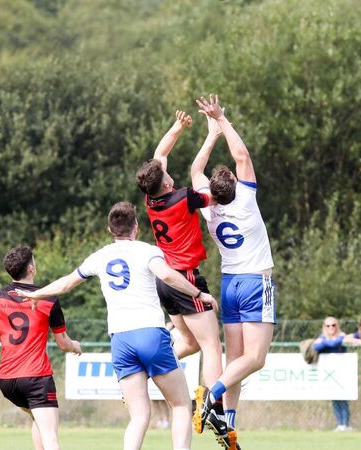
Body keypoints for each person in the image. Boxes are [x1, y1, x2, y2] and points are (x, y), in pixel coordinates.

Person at [15, 202, 219, 450]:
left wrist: (37, 294)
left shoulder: (100, 256)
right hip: (150, 334)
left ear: (110, 230)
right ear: (136, 228)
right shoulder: (147, 251)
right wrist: (199, 294)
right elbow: (167, 275)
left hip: (120, 341)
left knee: (140, 416)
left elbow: (67, 283)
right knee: (181, 405)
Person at [190, 95, 277, 447]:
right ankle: (211, 399)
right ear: (236, 187)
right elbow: (242, 156)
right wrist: (222, 119)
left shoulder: (208, 209)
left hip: (230, 284)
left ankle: (229, 426)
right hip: (256, 281)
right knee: (255, 359)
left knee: (235, 360)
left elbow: (196, 171)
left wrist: (209, 135)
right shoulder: (245, 198)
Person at [134, 111, 224, 419]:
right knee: (212, 346)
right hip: (185, 279)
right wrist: (212, 136)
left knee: (188, 342)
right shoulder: (183, 198)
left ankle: (143, 374)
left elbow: (160, 154)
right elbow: (218, 195)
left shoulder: (151, 199)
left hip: (164, 279)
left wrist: (177, 126)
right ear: (166, 180)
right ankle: (213, 408)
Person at [0, 244, 83, 450]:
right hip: (36, 377)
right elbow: (63, 344)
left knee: (38, 418)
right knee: (51, 437)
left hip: (8, 382)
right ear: (31, 268)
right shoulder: (47, 298)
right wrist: (76, 346)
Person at [313, 317, 351, 431]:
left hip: (342, 372)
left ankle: (346, 424)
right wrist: (324, 342)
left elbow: (335, 343)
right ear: (324, 327)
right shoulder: (322, 337)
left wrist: (324, 342)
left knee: (343, 398)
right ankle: (340, 424)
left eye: (333, 325)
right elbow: (316, 347)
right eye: (328, 326)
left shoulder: (342, 335)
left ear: (337, 326)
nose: (331, 328)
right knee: (334, 398)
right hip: (329, 373)